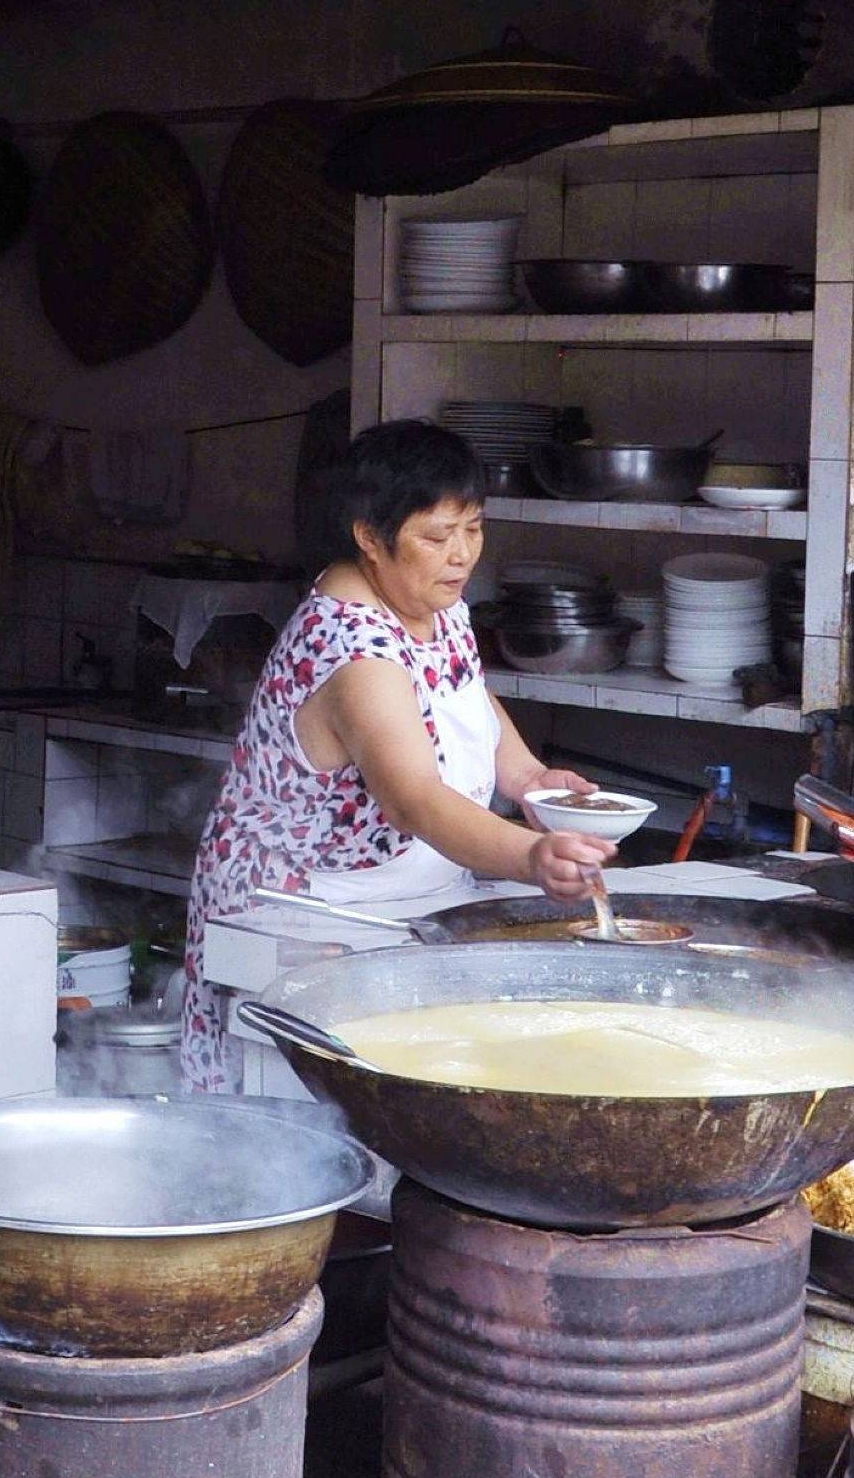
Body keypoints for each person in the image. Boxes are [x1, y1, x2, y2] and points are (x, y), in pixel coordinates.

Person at [178, 417, 619, 1090]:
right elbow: (412, 799)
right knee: (309, 1110)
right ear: (369, 537)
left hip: (404, 902)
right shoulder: (352, 649)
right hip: (299, 912)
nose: (461, 555)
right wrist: (530, 856)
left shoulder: (430, 601)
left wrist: (530, 777)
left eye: (473, 528)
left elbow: (461, 690)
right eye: (436, 537)